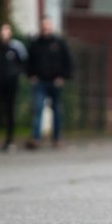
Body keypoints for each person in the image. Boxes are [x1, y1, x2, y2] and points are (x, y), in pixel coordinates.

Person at [26, 16, 72, 149]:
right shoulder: (35, 43)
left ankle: (57, 138)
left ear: (51, 26)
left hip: (55, 81)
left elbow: (68, 62)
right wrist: (31, 75)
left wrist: (63, 77)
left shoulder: (59, 43)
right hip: (40, 82)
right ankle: (36, 138)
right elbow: (28, 62)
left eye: (47, 25)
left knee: (56, 110)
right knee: (38, 108)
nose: (45, 28)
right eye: (43, 25)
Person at [0, 22, 26, 151]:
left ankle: (10, 140)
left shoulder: (16, 48)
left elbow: (22, 63)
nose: (4, 33)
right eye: (2, 30)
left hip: (11, 84)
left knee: (10, 112)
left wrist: (15, 75)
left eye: (7, 30)